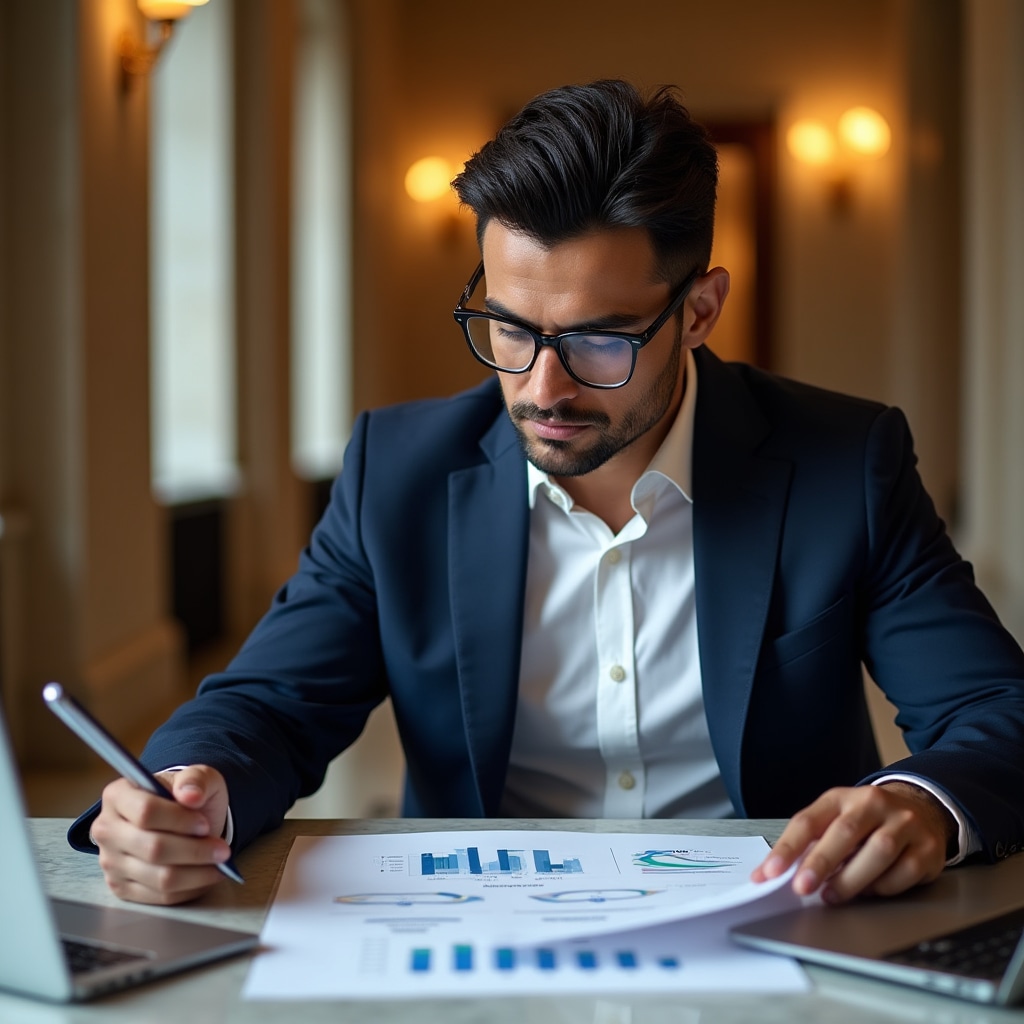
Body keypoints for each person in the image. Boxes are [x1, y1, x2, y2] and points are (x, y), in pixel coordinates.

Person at [71, 79, 1024, 907]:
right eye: (510, 329)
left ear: (699, 310)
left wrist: (920, 806)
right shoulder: (396, 470)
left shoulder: (842, 463)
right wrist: (188, 790)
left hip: (777, 917)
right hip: (477, 931)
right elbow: (273, 702)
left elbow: (994, 709)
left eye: (599, 340)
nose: (541, 387)